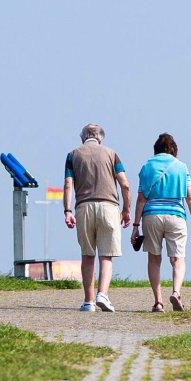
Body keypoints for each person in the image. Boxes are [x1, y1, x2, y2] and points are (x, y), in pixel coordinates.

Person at [63, 123, 131, 312]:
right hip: (109, 207)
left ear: (83, 137)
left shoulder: (73, 155)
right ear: (101, 137)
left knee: (87, 255)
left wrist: (67, 210)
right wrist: (126, 210)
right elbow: (125, 184)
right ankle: (103, 294)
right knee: (106, 256)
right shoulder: (111, 153)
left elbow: (69, 183)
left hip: (83, 206)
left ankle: (88, 301)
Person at [131, 133, 191, 312]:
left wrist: (135, 226)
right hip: (176, 214)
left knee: (154, 259)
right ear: (174, 149)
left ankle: (158, 302)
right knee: (177, 258)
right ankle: (176, 293)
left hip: (151, 215)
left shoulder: (147, 166)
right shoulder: (182, 167)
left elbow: (140, 199)